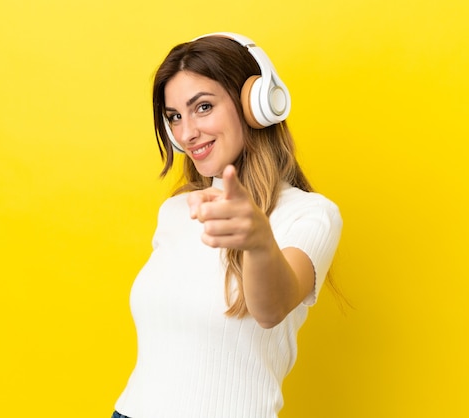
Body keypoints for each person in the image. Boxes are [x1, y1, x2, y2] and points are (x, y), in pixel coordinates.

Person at [112, 32, 342, 418]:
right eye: (174, 117)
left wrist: (258, 242)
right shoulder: (177, 210)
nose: (186, 133)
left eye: (202, 107)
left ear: (256, 104)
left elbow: (272, 309)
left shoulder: (311, 214)